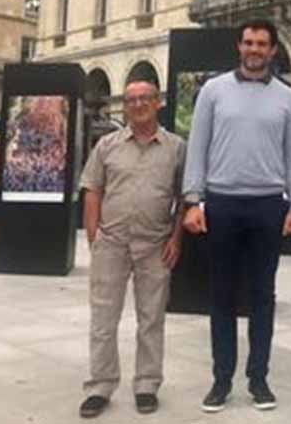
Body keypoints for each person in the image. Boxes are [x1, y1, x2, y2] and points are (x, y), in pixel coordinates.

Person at [182, 20, 291, 413]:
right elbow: (197, 146)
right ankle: (221, 380)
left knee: (262, 296)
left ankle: (259, 379)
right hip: (222, 203)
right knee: (221, 294)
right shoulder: (213, 91)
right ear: (239, 46)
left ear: (272, 51)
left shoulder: (287, 98)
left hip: (268, 205)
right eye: (249, 42)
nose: (255, 49)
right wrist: (191, 200)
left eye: (262, 44)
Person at [78, 79, 186, 418]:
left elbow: (185, 197)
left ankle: (146, 385)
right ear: (124, 106)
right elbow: (92, 187)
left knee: (151, 319)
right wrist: (93, 231)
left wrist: (176, 237)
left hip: (155, 245)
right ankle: (100, 385)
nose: (137, 104)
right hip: (111, 242)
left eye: (144, 98)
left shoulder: (176, 147)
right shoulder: (107, 145)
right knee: (103, 319)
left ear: (158, 104)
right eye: (131, 100)